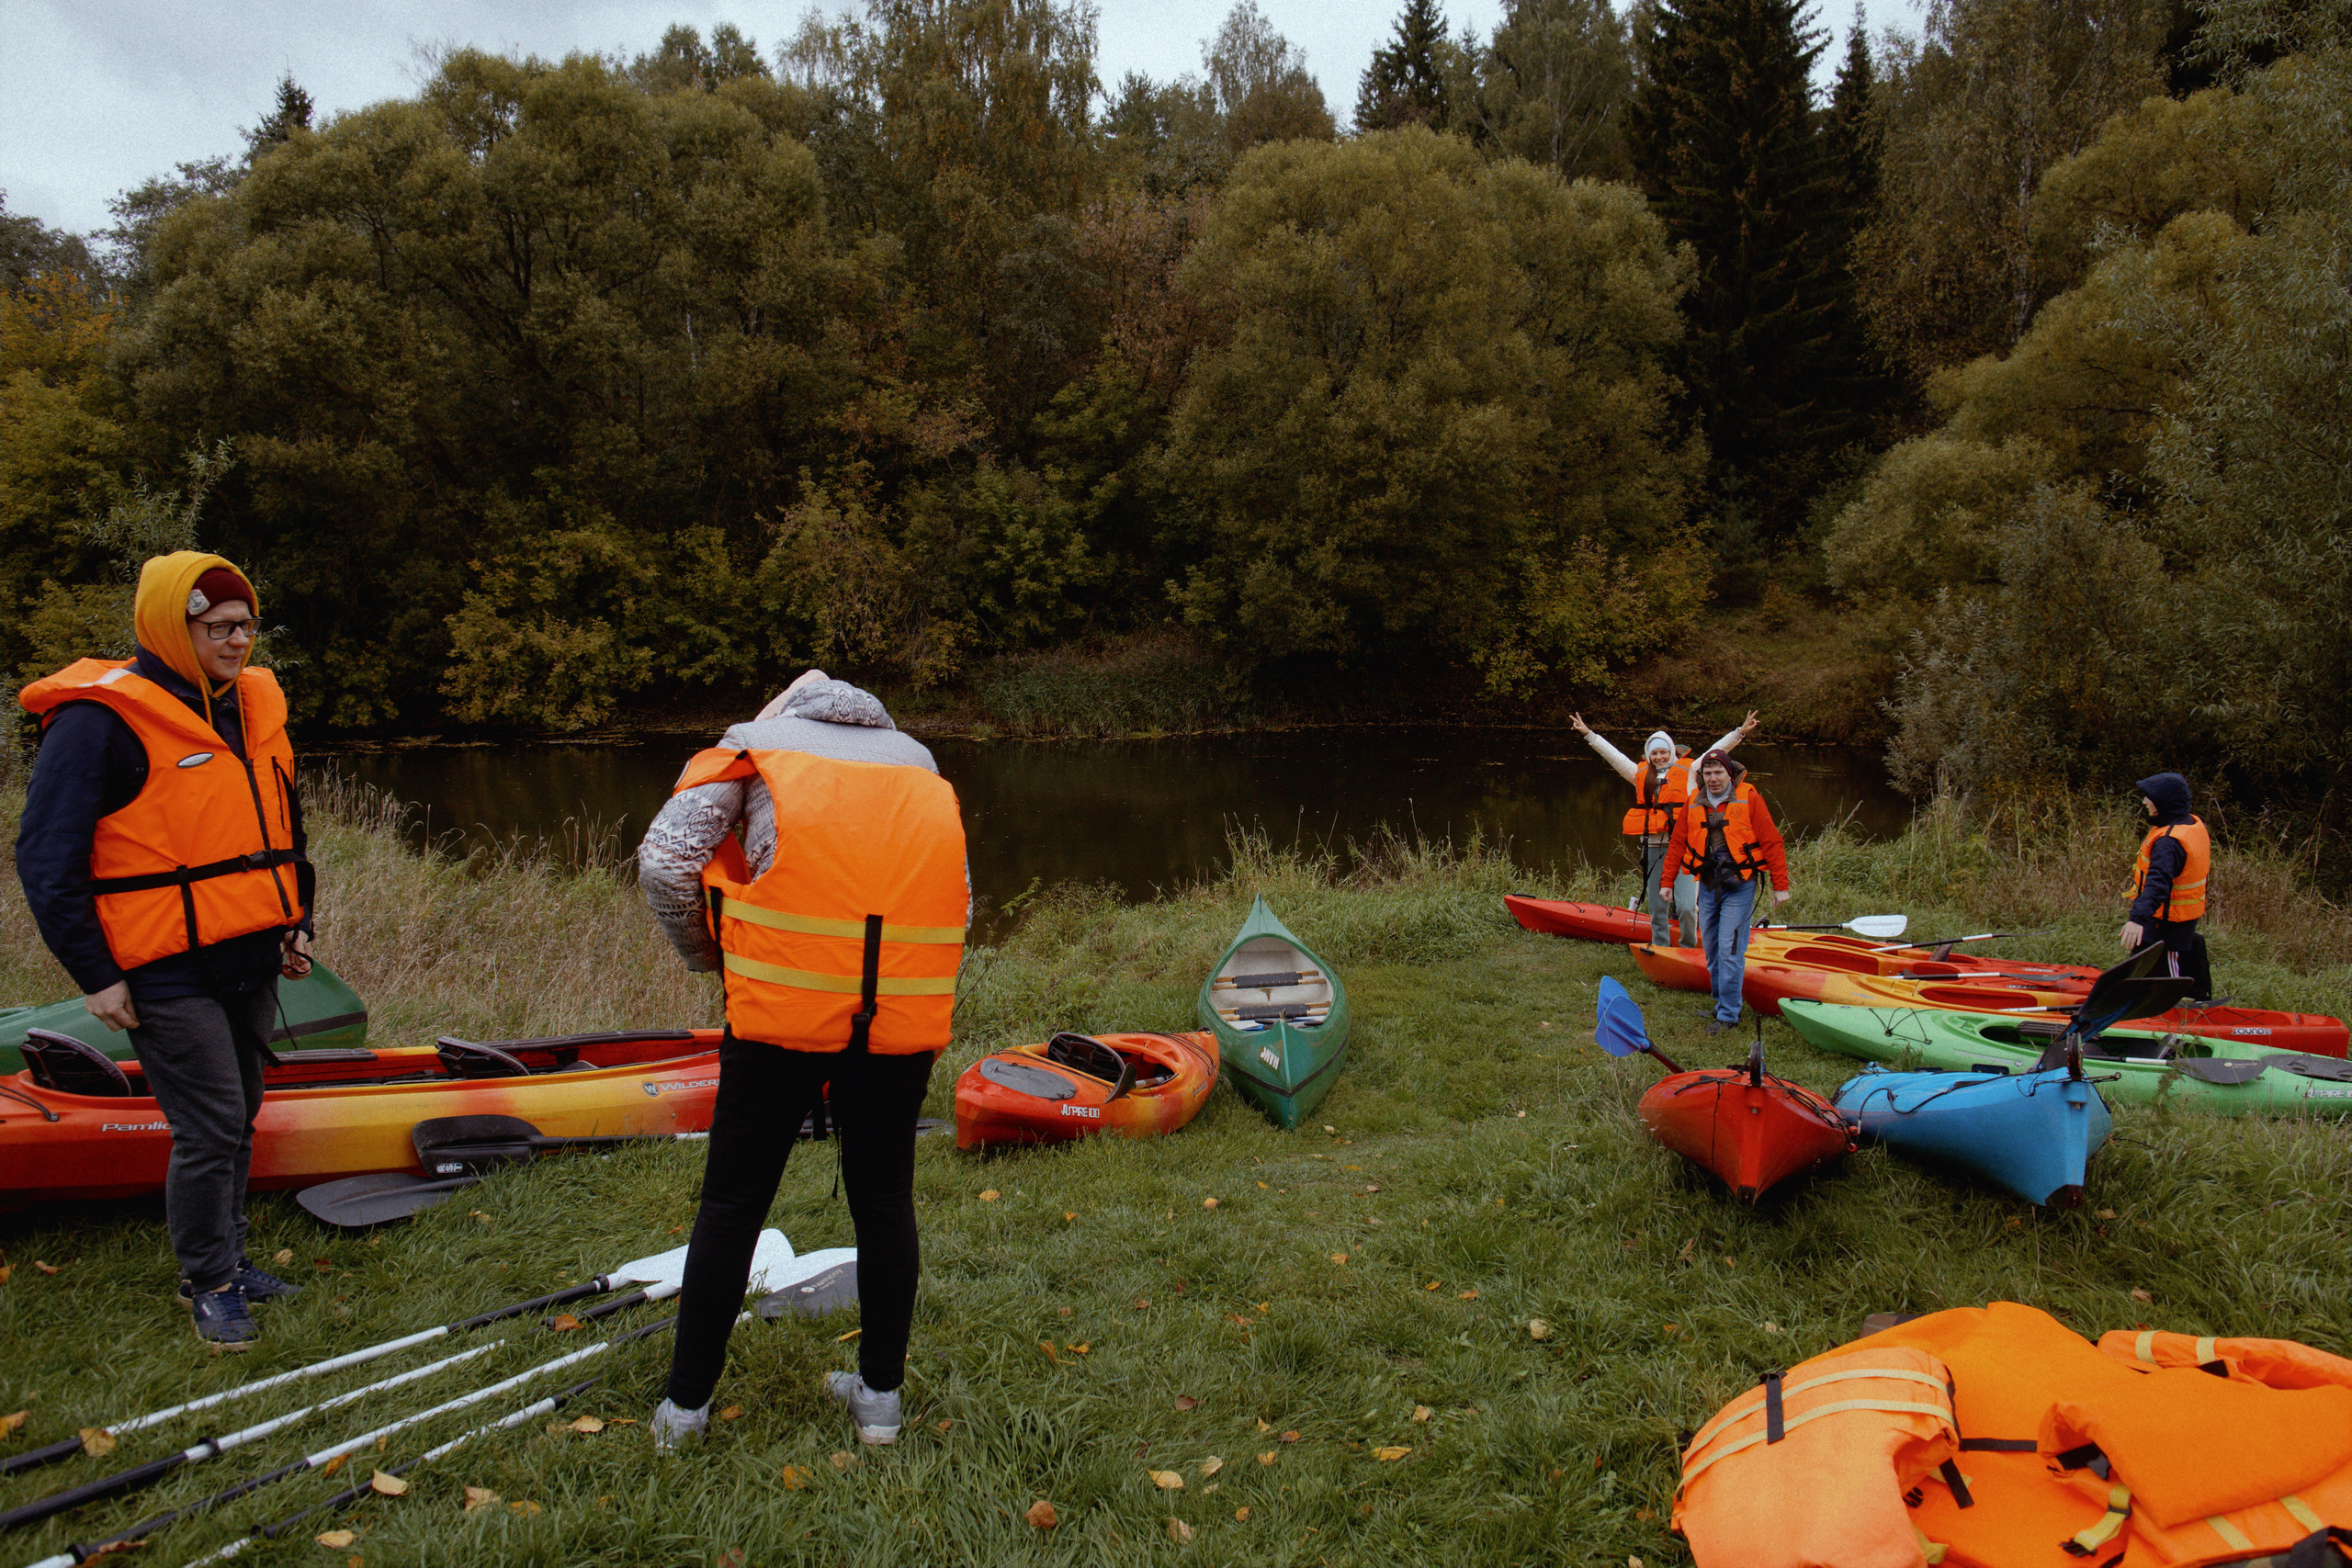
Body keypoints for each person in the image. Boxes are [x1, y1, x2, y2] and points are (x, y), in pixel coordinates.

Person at [637, 669, 967, 1452]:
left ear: (785, 707)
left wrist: (713, 956)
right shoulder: (920, 764)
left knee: (732, 1205)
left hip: (780, 1013)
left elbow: (665, 861)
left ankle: (684, 1413)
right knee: (884, 1199)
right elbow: (957, 895)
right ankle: (880, 1405)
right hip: (895, 1018)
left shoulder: (759, 747)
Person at [17, 553, 313, 1349]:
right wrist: (96, 973)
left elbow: (277, 821)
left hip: (248, 949)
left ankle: (232, 1256)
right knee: (211, 1122)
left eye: (247, 626)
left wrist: (295, 917)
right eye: (219, 627)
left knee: (241, 1111)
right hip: (161, 964)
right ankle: (208, 1282)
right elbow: (45, 858)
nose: (238, 641)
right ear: (171, 627)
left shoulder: (249, 706)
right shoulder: (97, 722)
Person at [1570, 711, 1758, 946]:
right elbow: (1613, 755)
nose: (1659, 757)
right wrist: (1588, 734)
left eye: (1663, 752)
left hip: (1686, 848)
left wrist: (1739, 732)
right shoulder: (1638, 774)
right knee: (1658, 907)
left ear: (1671, 752)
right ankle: (1660, 948)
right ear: (1649, 755)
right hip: (1653, 847)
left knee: (1687, 907)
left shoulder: (1691, 771)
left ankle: (1688, 948)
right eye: (1654, 753)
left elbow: (1717, 750)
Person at [1658, 750, 1791, 1034]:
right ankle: (1721, 1004)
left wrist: (1780, 886)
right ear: (1702, 777)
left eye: (1719, 772)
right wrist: (1667, 882)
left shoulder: (1749, 798)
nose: (1713, 778)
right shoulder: (1695, 801)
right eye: (1708, 773)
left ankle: (1729, 1015)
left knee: (1730, 949)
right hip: (1708, 884)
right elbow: (1678, 843)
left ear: (1729, 774)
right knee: (1712, 949)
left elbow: (1772, 842)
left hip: (1740, 885)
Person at [2120, 772, 2212, 999]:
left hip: (2168, 926)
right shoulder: (2187, 824)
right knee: (2141, 968)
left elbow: (2157, 885)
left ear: (2164, 802)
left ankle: (2178, 1011)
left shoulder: (2169, 842)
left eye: (2149, 797)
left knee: (2166, 981)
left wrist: (2136, 920)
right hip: (2161, 920)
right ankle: (2136, 1006)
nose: (2144, 802)